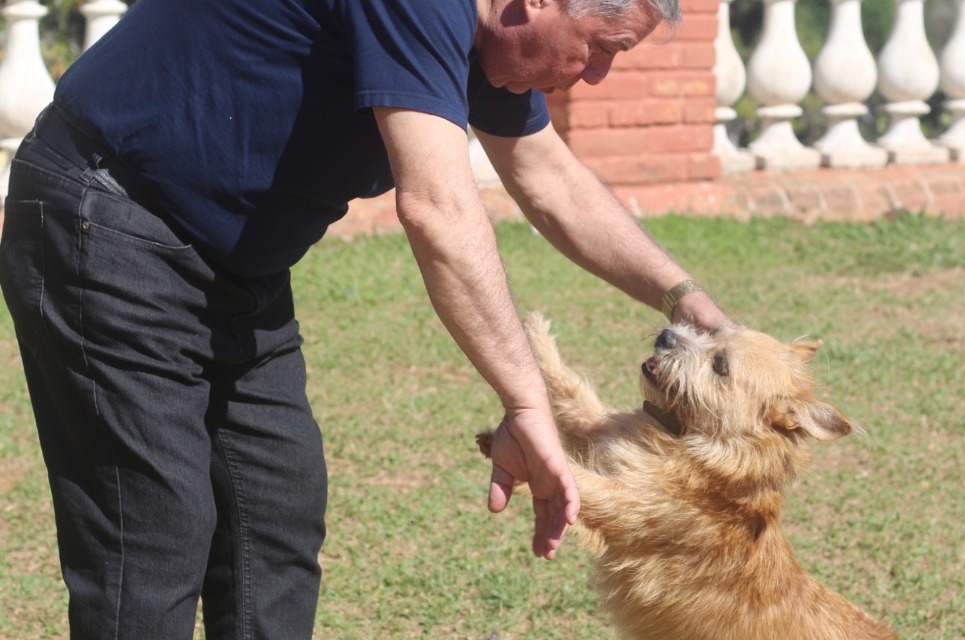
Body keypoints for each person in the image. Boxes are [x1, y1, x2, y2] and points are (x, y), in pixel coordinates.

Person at [0, 0, 731, 637]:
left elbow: (551, 180)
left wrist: (684, 297)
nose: (596, 76)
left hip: (233, 269)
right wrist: (526, 401)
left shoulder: (490, 42)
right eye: (603, 49)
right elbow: (438, 210)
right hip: (108, 220)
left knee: (276, 513)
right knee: (152, 533)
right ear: (536, 0)